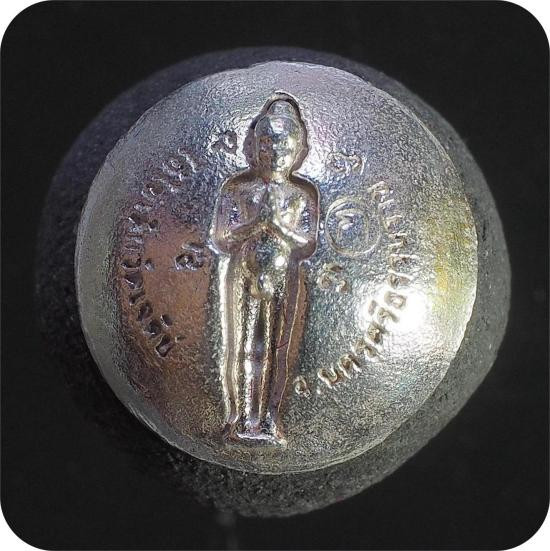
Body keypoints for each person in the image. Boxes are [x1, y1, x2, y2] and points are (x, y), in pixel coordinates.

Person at [212, 96, 319, 444]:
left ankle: (269, 419)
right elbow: (223, 237)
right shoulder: (239, 190)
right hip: (243, 269)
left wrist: (276, 226)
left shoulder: (300, 196)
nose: (275, 155)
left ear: (298, 152)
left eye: (284, 148)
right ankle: (241, 417)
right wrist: (256, 224)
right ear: (255, 149)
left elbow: (306, 242)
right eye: (267, 147)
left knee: (276, 347)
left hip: (283, 272)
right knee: (241, 345)